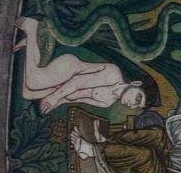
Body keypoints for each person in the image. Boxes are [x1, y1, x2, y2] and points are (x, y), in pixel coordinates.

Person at [16, 15, 149, 115]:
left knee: (27, 94)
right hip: (69, 70)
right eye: (137, 99)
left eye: (135, 107)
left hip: (63, 89)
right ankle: (32, 28)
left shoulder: (107, 103)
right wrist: (54, 98)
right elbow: (77, 82)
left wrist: (56, 103)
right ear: (136, 84)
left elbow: (75, 100)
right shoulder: (113, 74)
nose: (132, 105)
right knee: (33, 82)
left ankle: (32, 45)